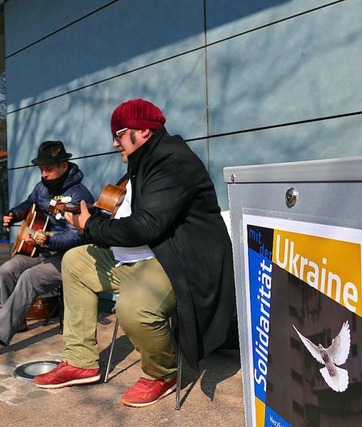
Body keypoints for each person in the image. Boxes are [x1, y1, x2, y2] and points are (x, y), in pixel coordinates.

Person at [33, 99, 236, 408]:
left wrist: (90, 226)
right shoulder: (142, 163)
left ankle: (161, 373)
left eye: (119, 134)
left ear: (143, 131)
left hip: (179, 259)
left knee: (133, 307)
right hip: (145, 252)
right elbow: (129, 222)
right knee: (74, 261)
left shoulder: (173, 163)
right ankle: (80, 360)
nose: (115, 142)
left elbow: (146, 227)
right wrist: (90, 222)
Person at [0, 140, 94, 365]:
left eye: (48, 168)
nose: (44, 173)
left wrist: (46, 240)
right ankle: (15, 320)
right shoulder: (42, 187)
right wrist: (14, 214)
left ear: (64, 165)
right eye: (41, 169)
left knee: (30, 277)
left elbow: (76, 236)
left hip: (70, 256)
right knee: (7, 269)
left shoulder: (79, 195)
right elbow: (30, 204)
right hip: (43, 249)